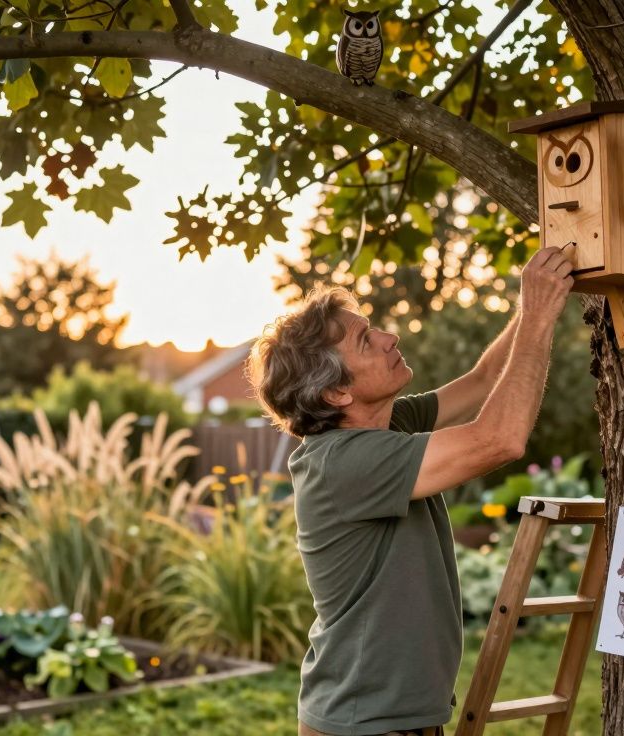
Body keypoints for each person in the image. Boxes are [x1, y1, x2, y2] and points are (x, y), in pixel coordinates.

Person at [246, 244, 576, 736]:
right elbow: (499, 439)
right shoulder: (342, 462)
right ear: (337, 393)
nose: (389, 336)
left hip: (399, 719)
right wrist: (540, 317)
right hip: (363, 725)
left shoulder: (386, 425)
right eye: (366, 340)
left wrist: (534, 303)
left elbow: (486, 379)